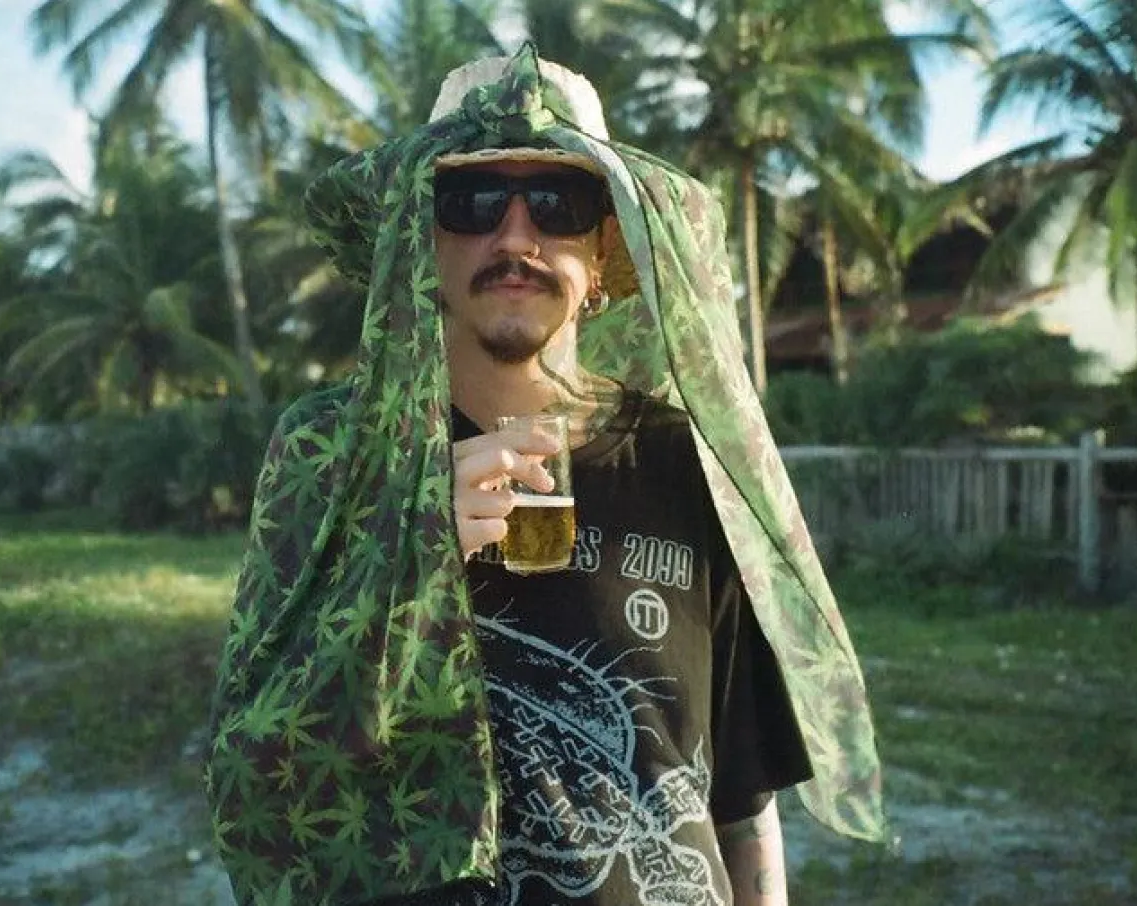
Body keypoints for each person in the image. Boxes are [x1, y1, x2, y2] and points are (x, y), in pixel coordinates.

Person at [205, 46, 886, 906]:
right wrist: (406, 556)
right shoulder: (332, 452)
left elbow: (741, 799)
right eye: (473, 201)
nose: (516, 238)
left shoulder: (683, 457)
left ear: (602, 251)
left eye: (559, 203)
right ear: (422, 242)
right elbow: (253, 778)